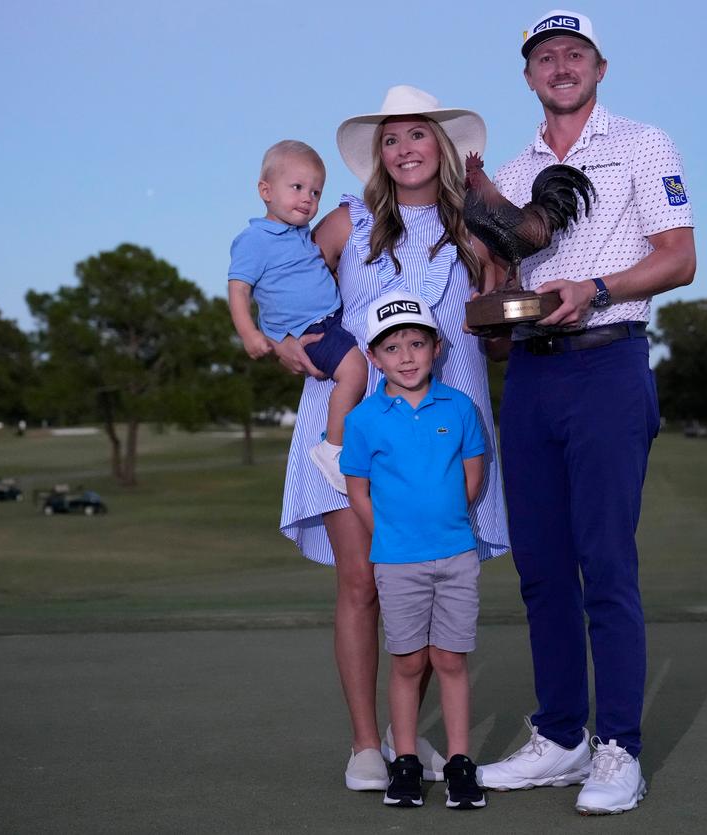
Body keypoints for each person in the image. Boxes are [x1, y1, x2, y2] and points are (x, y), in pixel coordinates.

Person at [475, 10, 696, 816]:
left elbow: (680, 257)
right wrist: (492, 313)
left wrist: (596, 288)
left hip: (609, 360)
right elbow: (504, 279)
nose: (560, 65)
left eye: (574, 53)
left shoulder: (644, 142)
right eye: (545, 56)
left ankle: (621, 748)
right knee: (540, 568)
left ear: (599, 67)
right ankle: (561, 736)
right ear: (528, 75)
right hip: (532, 374)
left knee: (606, 562)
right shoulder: (513, 164)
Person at [274, 86, 510, 793]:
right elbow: (285, 284)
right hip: (349, 418)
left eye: (418, 135)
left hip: (444, 426)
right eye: (391, 138)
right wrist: (281, 338)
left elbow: (497, 319)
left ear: (440, 146)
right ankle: (365, 743)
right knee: (362, 581)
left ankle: (408, 738)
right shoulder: (347, 222)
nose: (406, 148)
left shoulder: (473, 227)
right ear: (378, 155)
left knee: (427, 584)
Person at [340, 289, 487, 810]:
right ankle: (403, 762)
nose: (406, 356)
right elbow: (357, 486)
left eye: (416, 343)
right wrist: (394, 529)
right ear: (375, 357)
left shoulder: (460, 408)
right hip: (397, 560)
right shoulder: (364, 419)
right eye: (392, 347)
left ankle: (459, 763)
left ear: (436, 348)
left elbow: (472, 475)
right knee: (407, 662)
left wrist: (439, 519)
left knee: (449, 658)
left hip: (455, 554)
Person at [227, 140, 366, 492]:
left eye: (316, 192)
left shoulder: (301, 234)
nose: (308, 198)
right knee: (355, 373)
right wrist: (250, 334)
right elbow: (239, 289)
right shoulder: (255, 239)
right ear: (265, 191)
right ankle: (332, 448)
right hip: (311, 329)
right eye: (298, 188)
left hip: (330, 319)